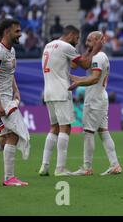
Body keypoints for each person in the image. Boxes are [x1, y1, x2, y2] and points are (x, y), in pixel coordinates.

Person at [38, 25, 103, 177]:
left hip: (48, 91)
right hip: (62, 91)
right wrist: (95, 49)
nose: (78, 41)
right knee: (65, 128)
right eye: (77, 38)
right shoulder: (66, 46)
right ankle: (60, 168)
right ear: (71, 35)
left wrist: (86, 52)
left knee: (53, 128)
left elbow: (73, 64)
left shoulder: (49, 45)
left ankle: (44, 166)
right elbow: (85, 65)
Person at [68, 31, 122, 176]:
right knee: (103, 132)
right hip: (101, 96)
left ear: (99, 41)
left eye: (91, 41)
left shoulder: (97, 58)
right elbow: (83, 69)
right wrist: (78, 77)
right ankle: (115, 164)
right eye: (87, 40)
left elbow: (94, 79)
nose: (87, 43)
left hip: (94, 99)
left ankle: (87, 167)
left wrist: (78, 82)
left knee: (88, 132)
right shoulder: (101, 56)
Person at [0, 19, 30, 186]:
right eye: (17, 31)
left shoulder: (11, 51)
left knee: (5, 139)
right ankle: (9, 178)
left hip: (7, 98)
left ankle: (9, 177)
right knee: (14, 134)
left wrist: (16, 90)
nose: (20, 34)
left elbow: (10, 73)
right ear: (7, 32)